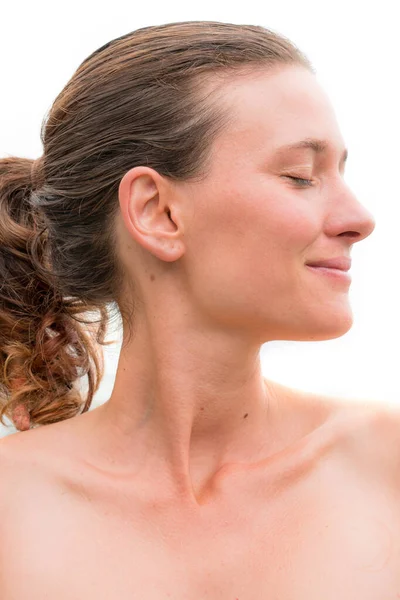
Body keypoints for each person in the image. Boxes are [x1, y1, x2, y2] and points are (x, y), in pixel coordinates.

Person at [0, 20, 399, 598]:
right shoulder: (13, 510)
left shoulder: (387, 468)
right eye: (300, 177)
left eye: (342, 172)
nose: (359, 218)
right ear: (158, 212)